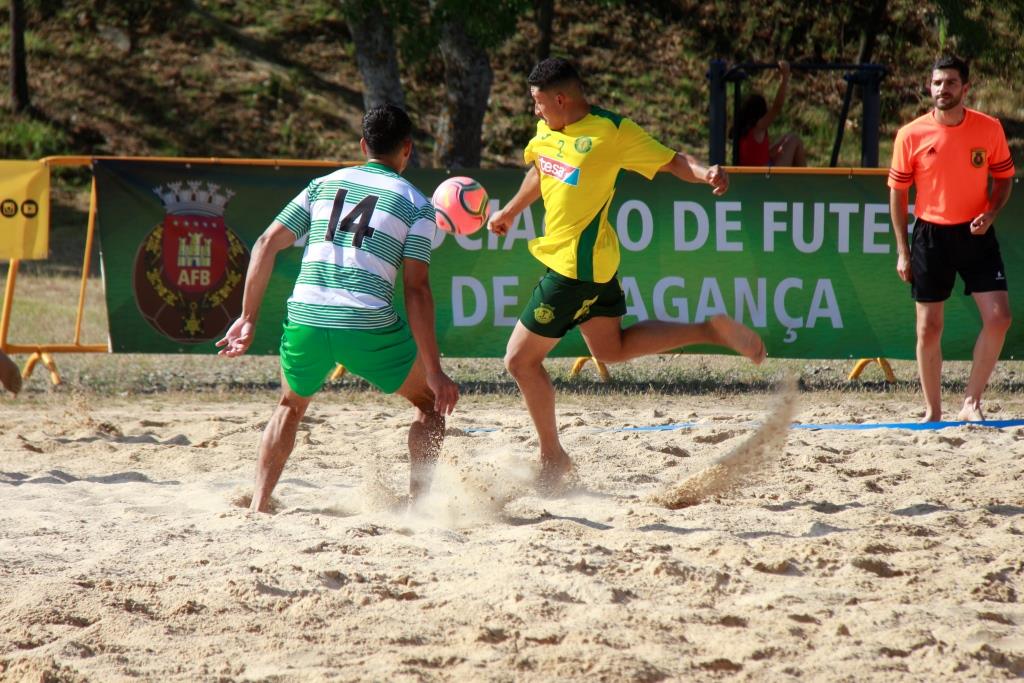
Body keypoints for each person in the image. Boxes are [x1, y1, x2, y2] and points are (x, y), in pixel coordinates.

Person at [488, 58, 766, 491]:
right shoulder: (548, 131)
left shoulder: (611, 132)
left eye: (539, 102)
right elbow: (541, 169)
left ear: (561, 98)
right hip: (592, 266)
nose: (535, 111)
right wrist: (510, 210)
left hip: (573, 271)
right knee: (612, 350)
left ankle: (552, 456)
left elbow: (672, 161)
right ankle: (709, 329)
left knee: (519, 361)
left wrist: (705, 173)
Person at [217, 104, 459, 512]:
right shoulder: (418, 206)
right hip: (366, 323)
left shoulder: (322, 185)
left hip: (307, 316)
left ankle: (259, 503)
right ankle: (419, 509)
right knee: (430, 407)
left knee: (290, 406)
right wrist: (434, 371)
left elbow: (265, 243)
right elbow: (416, 290)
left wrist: (248, 317)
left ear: (364, 145)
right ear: (408, 149)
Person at [888, 55, 1015, 422]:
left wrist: (991, 213)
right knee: (929, 328)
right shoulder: (910, 134)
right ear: (930, 87)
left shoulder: (988, 129)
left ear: (965, 88)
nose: (943, 89)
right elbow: (898, 193)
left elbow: (1004, 177)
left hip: (977, 233)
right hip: (929, 235)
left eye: (951, 83)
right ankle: (933, 411)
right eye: (937, 83)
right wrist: (902, 250)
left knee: (999, 318)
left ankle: (972, 403)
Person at [733, 61, 806, 167]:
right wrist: (784, 78)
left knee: (787, 137)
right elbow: (777, 107)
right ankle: (804, 181)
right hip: (765, 176)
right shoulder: (758, 127)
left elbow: (758, 155)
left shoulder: (742, 129)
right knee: (794, 140)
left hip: (757, 170)